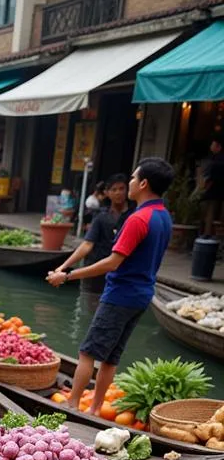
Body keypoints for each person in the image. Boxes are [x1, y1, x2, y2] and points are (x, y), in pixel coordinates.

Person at [46, 158, 174, 414]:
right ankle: (94, 409)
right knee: (111, 357)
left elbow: (112, 263)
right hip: (142, 295)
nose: (130, 183)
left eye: (134, 178)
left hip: (120, 294)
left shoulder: (139, 219)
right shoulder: (164, 216)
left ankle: (72, 405)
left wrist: (67, 275)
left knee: (87, 352)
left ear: (144, 183)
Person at [53, 174, 133, 296]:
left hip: (121, 272)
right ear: (107, 192)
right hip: (95, 270)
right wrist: (64, 266)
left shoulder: (133, 217)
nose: (118, 193)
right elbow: (87, 244)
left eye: (121, 189)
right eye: (114, 189)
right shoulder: (101, 216)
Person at [199, 135, 224, 238]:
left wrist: (204, 188)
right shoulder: (215, 159)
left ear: (218, 147)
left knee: (209, 213)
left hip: (213, 192)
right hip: (219, 192)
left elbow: (210, 178)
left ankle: (207, 234)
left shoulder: (217, 162)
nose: (211, 146)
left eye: (213, 145)